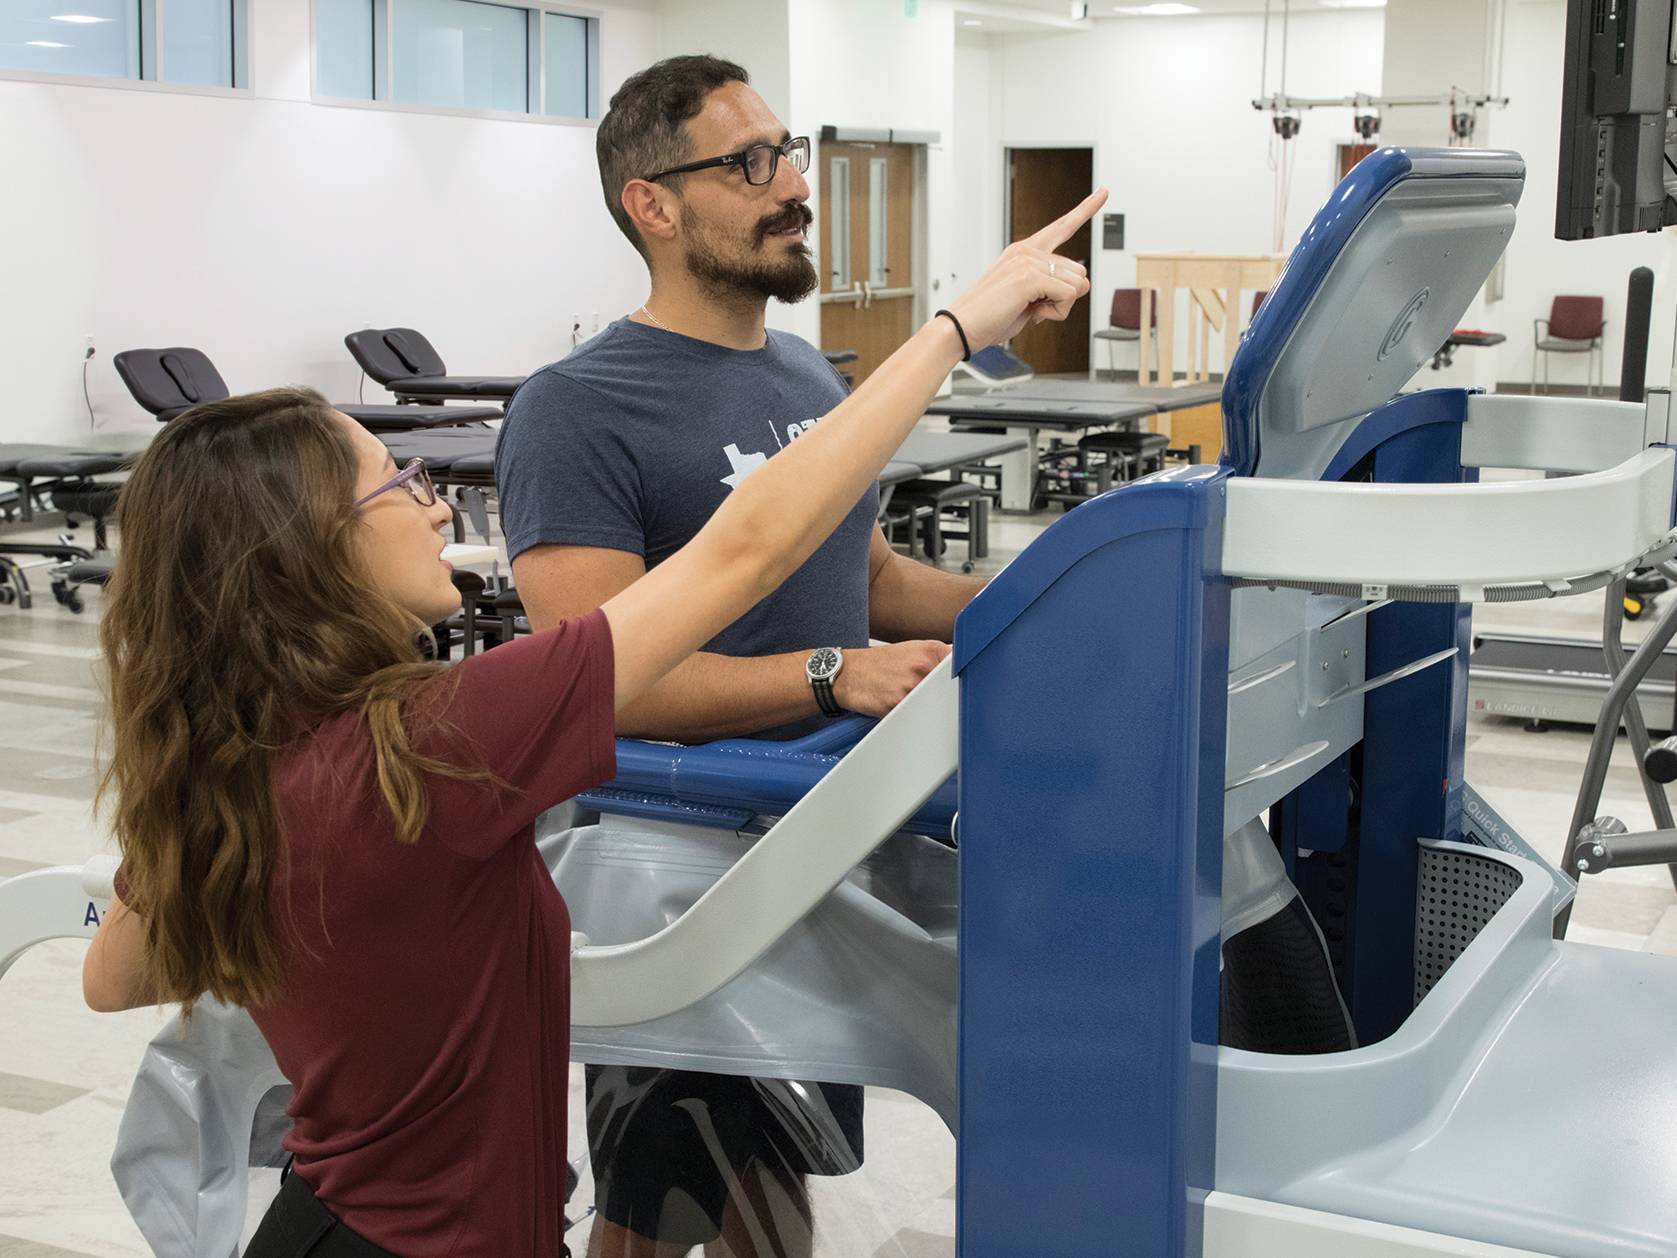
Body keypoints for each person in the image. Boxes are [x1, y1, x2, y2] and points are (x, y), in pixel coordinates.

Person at [80, 188, 1104, 1257]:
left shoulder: (230, 774)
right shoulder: (437, 741)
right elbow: (742, 549)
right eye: (399, 484)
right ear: (308, 553)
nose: (435, 505)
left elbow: (114, 978)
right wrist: (953, 331)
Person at [496, 55, 1003, 1258]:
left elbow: (868, 579)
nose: (794, 188)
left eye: (789, 153)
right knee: (661, 1207)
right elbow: (600, 681)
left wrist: (1044, 595)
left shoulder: (804, 372)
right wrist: (828, 676)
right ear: (653, 207)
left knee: (776, 1204)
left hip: (816, 842)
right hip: (673, 872)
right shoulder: (575, 409)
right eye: (750, 163)